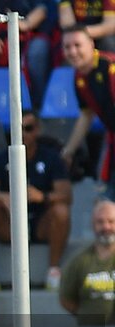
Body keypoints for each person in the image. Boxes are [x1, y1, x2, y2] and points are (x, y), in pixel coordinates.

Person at [0, 109, 71, 293]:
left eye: (29, 128)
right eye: (19, 129)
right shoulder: (0, 158)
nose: (24, 133)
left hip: (41, 221)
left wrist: (43, 197)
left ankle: (54, 271)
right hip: (9, 222)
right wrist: (4, 197)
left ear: (38, 130)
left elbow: (66, 194)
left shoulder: (51, 158)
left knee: (61, 211)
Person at [61, 24, 115, 201]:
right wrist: (68, 151)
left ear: (91, 44)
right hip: (112, 141)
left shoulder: (110, 68)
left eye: (77, 45)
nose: (73, 52)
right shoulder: (79, 77)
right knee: (104, 196)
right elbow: (86, 114)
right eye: (67, 47)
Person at [59, 199, 115, 325]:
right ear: (92, 224)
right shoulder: (78, 261)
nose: (106, 227)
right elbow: (66, 300)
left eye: (111, 221)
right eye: (100, 222)